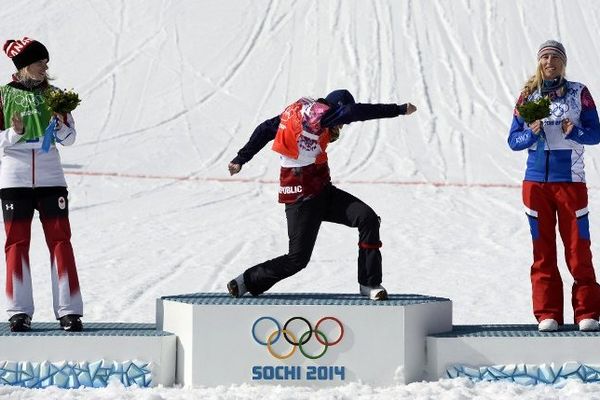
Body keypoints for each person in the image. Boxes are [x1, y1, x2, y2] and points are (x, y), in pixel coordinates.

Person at [227, 89, 417, 300]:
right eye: (341, 122)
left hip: (324, 192)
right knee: (296, 260)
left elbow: (264, 129)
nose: (340, 127)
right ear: (338, 109)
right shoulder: (322, 114)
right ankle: (246, 281)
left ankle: (369, 283)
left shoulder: (297, 113)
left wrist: (240, 159)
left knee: (368, 218)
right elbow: (357, 111)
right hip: (301, 198)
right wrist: (399, 110)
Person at [508, 40, 600, 332]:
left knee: (578, 249)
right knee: (543, 251)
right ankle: (547, 313)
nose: (550, 61)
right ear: (539, 62)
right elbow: (513, 140)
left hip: (571, 183)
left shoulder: (579, 92)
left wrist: (576, 131)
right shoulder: (527, 96)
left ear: (564, 62)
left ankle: (587, 312)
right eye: (545, 56)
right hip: (536, 183)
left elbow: (596, 133)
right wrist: (531, 134)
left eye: (556, 57)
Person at [0, 37, 83, 332]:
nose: (45, 67)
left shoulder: (56, 95)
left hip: (51, 177)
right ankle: (18, 311)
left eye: (46, 62)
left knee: (60, 241)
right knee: (16, 244)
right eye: (40, 62)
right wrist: (14, 132)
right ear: (24, 65)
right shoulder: (3, 95)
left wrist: (60, 124)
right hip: (15, 178)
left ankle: (69, 310)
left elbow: (71, 139)